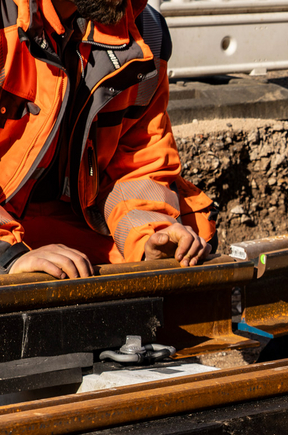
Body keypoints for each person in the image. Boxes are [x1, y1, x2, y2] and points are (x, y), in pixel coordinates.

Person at [0, 0, 216, 279]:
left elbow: (137, 165)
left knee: (191, 244)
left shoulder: (143, 32)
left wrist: (151, 237)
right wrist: (9, 255)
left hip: (59, 222)